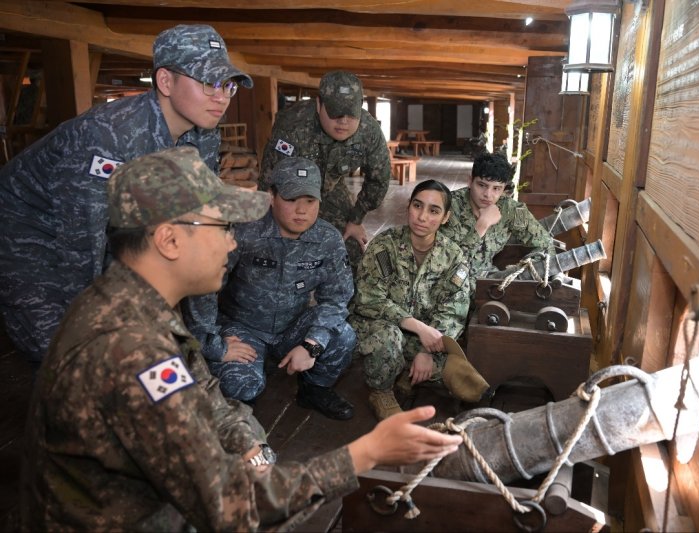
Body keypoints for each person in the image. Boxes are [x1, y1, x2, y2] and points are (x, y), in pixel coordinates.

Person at [20, 146, 462, 531]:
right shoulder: (130, 349)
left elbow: (204, 394)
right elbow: (234, 506)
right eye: (222, 227)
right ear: (169, 240)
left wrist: (253, 448)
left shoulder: (131, 305)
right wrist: (365, 454)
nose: (233, 244)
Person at [0, 24, 253, 364]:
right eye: (208, 82)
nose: (221, 97)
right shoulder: (106, 135)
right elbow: (80, 245)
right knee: (71, 352)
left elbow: (199, 227)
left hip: (103, 227)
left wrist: (208, 341)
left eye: (227, 85)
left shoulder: (203, 135)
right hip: (27, 229)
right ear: (166, 82)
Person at [182, 157, 356, 420]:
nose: (302, 210)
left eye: (310, 201)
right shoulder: (244, 231)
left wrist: (312, 345)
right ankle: (252, 377)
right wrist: (213, 344)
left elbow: (337, 298)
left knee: (343, 336)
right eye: (291, 199)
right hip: (243, 328)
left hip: (292, 326)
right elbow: (203, 288)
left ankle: (314, 389)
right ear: (271, 197)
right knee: (241, 386)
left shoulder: (328, 239)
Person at [349, 180, 473, 420]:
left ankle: (409, 371)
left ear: (445, 218)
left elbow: (453, 311)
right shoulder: (385, 246)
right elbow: (369, 300)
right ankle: (381, 391)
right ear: (408, 206)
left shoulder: (453, 256)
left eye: (434, 211)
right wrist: (418, 327)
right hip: (378, 326)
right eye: (417, 206)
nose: (422, 217)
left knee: (462, 376)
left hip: (423, 337)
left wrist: (428, 352)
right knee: (388, 338)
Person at [259, 70, 391, 274]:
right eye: (336, 112)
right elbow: (269, 179)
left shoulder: (369, 132)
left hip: (330, 188)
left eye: (351, 113)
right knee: (278, 252)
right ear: (319, 104)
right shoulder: (292, 127)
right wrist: (270, 222)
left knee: (351, 248)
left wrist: (356, 220)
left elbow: (378, 180)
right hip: (291, 193)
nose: (343, 121)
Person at [440, 151, 555, 282]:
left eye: (496, 188)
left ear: (504, 189)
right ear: (470, 181)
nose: (487, 194)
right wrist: (481, 226)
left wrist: (523, 271)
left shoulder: (512, 210)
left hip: (488, 281)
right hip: (447, 283)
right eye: (482, 185)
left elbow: (546, 244)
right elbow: (442, 261)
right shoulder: (447, 206)